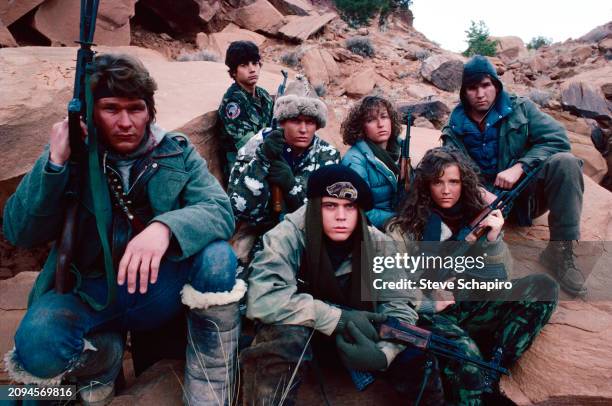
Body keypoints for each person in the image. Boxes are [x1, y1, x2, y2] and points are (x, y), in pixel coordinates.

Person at [3, 54, 243, 405]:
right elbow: (19, 231)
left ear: (150, 110)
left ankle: (210, 379)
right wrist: (53, 163)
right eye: (111, 109)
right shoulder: (69, 157)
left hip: (160, 289)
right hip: (89, 291)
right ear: (90, 113)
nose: (126, 122)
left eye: (136, 108)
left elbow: (221, 211)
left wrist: (165, 228)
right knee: (37, 344)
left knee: (219, 257)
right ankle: (102, 363)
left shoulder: (176, 152)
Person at [241, 164, 442, 405]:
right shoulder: (287, 236)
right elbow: (264, 299)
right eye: (330, 206)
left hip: (358, 338)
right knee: (283, 338)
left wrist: (383, 355)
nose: (341, 216)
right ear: (315, 208)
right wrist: (340, 318)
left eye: (350, 207)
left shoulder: (378, 242)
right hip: (306, 333)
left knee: (419, 346)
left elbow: (399, 306)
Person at [388, 147, 559, 405]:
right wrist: (427, 299)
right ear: (425, 186)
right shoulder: (403, 230)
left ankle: (493, 369)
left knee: (543, 286)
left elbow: (500, 278)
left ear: (464, 183)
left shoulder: (476, 219)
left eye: (454, 182)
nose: (446, 190)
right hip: (426, 316)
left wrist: (492, 241)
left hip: (469, 306)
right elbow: (392, 291)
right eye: (438, 182)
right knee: (464, 351)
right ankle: (475, 380)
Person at [441, 55, 586, 297]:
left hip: (525, 196)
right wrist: (475, 190)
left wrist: (520, 166)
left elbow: (558, 140)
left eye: (486, 85)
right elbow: (449, 164)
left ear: (496, 86)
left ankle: (560, 250)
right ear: (464, 92)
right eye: (472, 88)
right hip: (481, 205)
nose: (480, 94)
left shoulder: (521, 108)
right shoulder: (455, 123)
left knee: (566, 163)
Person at [227, 77, 339, 261]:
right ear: (282, 122)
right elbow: (238, 208)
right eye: (295, 120)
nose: (303, 129)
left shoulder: (328, 155)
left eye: (310, 122)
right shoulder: (256, 145)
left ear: (317, 125)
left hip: (305, 233)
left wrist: (291, 187)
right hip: (257, 230)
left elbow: (326, 214)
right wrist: (262, 161)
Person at [341, 95, 403, 230]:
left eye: (384, 117)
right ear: (361, 127)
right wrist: (397, 220)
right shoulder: (355, 161)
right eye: (371, 120)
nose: (380, 124)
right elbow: (359, 211)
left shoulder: (400, 151)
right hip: (373, 230)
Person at [218, 40, 274, 179]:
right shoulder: (232, 102)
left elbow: (275, 127)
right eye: (244, 65)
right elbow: (248, 144)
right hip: (241, 165)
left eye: (255, 63)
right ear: (234, 72)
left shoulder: (263, 95)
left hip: (267, 155)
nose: (252, 69)